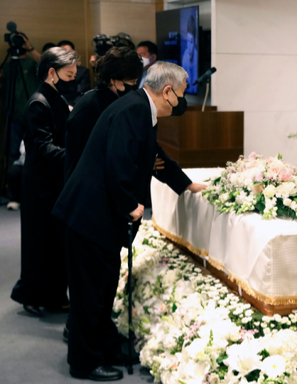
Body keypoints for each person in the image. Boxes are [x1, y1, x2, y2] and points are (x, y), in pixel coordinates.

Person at [52, 61, 206, 381]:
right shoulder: (134, 110)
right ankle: (83, 361)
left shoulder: (140, 108)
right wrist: (130, 205)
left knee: (103, 288)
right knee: (90, 294)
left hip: (98, 217)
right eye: (180, 93)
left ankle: (106, 347)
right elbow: (116, 163)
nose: (181, 100)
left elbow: (153, 155)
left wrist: (185, 184)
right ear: (167, 91)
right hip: (90, 216)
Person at [10, 47, 78, 316]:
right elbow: (42, 148)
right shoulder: (40, 102)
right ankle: (32, 295)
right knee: (41, 243)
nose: (73, 79)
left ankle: (52, 296)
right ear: (52, 73)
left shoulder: (55, 97)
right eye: (69, 74)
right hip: (41, 185)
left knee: (53, 243)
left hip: (51, 182)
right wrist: (76, 155)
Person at [65, 47, 142, 182]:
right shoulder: (90, 107)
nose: (135, 87)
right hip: (88, 184)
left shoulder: (117, 101)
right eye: (133, 82)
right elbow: (86, 155)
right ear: (114, 81)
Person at [0, 33, 41, 210]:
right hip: (13, 115)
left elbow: (45, 64)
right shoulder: (10, 65)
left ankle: (31, 192)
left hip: (30, 115)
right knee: (13, 155)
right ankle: (13, 194)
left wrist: (28, 46)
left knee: (33, 153)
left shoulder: (31, 62)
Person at [58, 40, 92, 106]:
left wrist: (71, 106)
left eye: (69, 52)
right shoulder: (54, 71)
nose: (67, 55)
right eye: (63, 52)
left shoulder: (82, 71)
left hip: (75, 105)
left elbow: (83, 92)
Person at [181, 15, 198, 93]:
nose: (188, 46)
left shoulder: (197, 56)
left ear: (195, 41)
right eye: (187, 41)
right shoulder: (185, 55)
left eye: (191, 41)